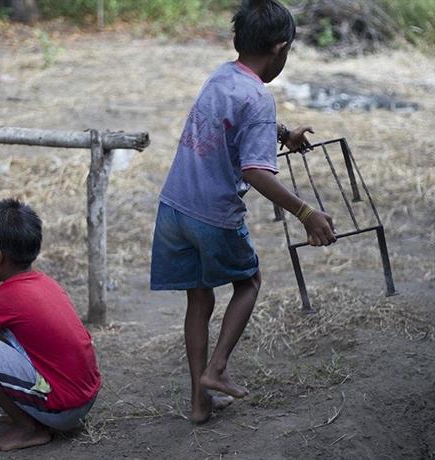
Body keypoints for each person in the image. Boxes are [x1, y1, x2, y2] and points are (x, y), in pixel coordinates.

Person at [150, 0, 336, 424]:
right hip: (213, 216)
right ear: (281, 48)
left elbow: (232, 121)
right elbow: (255, 171)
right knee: (248, 282)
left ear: (238, 40)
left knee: (199, 297)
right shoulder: (259, 98)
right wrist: (305, 212)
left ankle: (199, 403)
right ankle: (216, 369)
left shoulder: (222, 74)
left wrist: (283, 134)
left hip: (174, 207)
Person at [0, 199, 101, 452]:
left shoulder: (0, 300)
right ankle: (33, 414)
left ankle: (28, 428)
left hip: (64, 412)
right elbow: (4, 329)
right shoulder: (46, 283)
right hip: (85, 400)